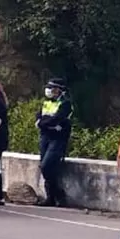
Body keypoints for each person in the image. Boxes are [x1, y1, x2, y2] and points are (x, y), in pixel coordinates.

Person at [35, 77, 73, 207]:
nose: (49, 90)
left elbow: (57, 119)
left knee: (47, 166)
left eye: (53, 88)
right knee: (45, 166)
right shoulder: (46, 102)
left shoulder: (65, 104)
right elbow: (39, 117)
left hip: (58, 138)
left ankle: (59, 194)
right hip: (45, 136)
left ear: (60, 90)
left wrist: (44, 122)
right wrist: (45, 123)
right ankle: (50, 197)